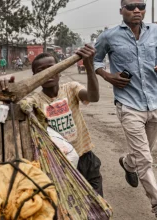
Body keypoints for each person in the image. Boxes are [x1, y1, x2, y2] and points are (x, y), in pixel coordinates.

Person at [0, 45, 103, 196]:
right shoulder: (33, 101)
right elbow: (10, 113)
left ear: (59, 71)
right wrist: (7, 92)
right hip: (58, 164)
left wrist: (89, 66)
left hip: (85, 157)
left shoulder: (71, 88)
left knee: (97, 206)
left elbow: (93, 97)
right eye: (41, 71)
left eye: (51, 68)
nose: (48, 74)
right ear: (35, 77)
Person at [94, 0, 157, 216]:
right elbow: (95, 60)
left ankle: (128, 163)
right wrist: (107, 75)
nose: (137, 10)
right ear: (121, 10)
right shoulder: (109, 36)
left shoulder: (155, 31)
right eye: (131, 6)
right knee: (146, 158)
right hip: (128, 104)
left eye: (141, 5)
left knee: (143, 153)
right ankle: (156, 203)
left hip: (155, 101)